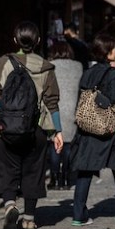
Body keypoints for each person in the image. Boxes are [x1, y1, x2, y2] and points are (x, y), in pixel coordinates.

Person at [0, 21, 64, 229]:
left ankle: (10, 205)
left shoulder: (4, 63)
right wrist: (57, 131)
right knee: (33, 171)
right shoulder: (46, 67)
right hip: (36, 130)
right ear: (38, 41)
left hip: (6, 130)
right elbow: (52, 103)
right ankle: (29, 220)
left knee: (7, 169)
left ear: (15, 41)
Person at [69, 33, 115, 226]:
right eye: (114, 48)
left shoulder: (87, 72)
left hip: (88, 128)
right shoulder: (113, 73)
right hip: (108, 128)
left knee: (84, 171)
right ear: (107, 51)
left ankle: (78, 214)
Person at [48, 41, 82, 190]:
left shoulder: (50, 66)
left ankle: (55, 179)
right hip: (72, 110)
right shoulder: (78, 66)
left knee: (55, 145)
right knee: (68, 146)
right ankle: (67, 178)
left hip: (55, 110)